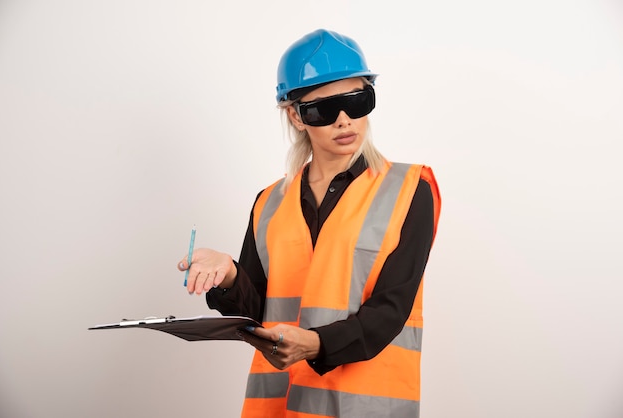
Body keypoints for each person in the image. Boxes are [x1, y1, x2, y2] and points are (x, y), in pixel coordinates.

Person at [177, 28, 441, 418]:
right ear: (296, 116)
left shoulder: (409, 190)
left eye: (357, 100)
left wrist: (315, 344)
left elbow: (391, 309)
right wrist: (230, 274)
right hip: (279, 407)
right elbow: (257, 311)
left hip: (361, 404)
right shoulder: (269, 203)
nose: (344, 120)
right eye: (323, 109)